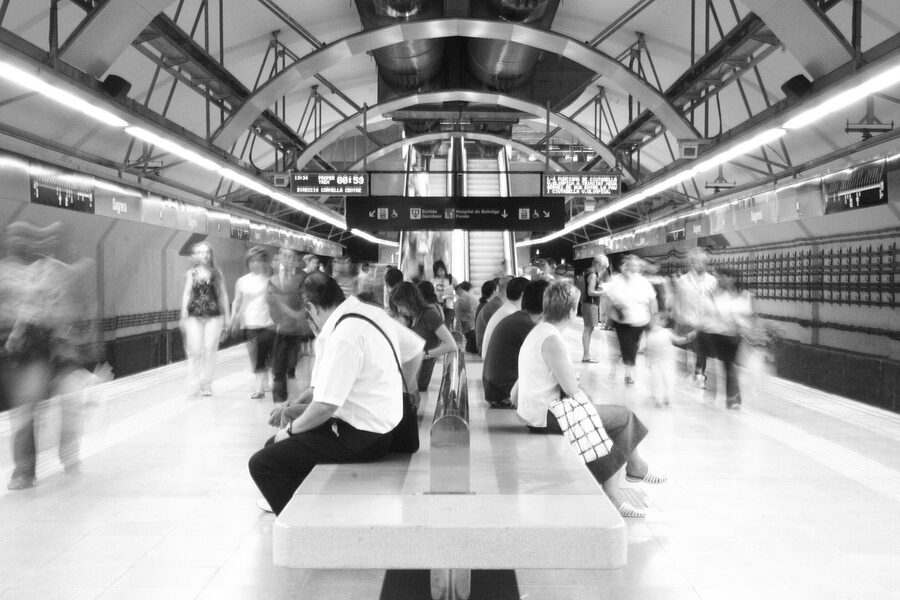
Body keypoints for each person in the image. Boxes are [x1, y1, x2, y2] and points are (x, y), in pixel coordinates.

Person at [248, 272, 425, 516]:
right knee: (276, 445)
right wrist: (403, 386)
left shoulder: (344, 335)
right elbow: (415, 348)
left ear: (310, 306)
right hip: (388, 427)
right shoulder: (372, 313)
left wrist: (288, 430)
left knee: (263, 464)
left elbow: (325, 407)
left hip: (362, 437)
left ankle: (301, 526)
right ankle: (298, 499)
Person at [512, 281, 666, 518]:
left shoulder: (539, 331)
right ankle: (628, 478)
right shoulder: (551, 339)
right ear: (573, 310)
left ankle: (628, 477)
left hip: (537, 411)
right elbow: (572, 390)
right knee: (624, 417)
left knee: (609, 418)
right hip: (546, 416)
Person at [482, 280, 548, 407]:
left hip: (494, 388)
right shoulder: (526, 325)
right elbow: (546, 362)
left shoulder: (518, 317)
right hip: (503, 394)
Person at [180, 241, 230, 396]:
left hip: (214, 315)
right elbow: (187, 293)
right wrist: (183, 313)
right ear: (197, 256)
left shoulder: (217, 274)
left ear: (211, 255)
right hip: (194, 315)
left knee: (210, 348)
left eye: (207, 252)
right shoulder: (192, 274)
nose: (205, 255)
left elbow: (223, 295)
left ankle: (206, 383)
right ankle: (193, 382)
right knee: (194, 349)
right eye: (201, 252)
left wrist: (228, 316)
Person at [389, 282, 458, 391]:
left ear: (410, 301)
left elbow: (451, 345)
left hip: (420, 372)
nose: (399, 310)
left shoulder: (429, 314)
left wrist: (425, 355)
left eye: (400, 305)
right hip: (412, 368)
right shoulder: (412, 316)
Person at [267, 247, 313, 404]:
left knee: (292, 355)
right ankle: (279, 395)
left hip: (300, 325)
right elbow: (271, 300)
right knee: (280, 357)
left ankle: (294, 392)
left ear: (296, 260)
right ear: (279, 257)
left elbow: (308, 297)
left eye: (290, 257)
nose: (287, 259)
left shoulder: (303, 277)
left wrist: (300, 315)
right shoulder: (273, 278)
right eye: (284, 256)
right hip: (282, 325)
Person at [605, 255, 658, 386]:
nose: (633, 268)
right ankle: (628, 373)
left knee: (633, 346)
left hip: (640, 320)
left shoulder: (643, 282)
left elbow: (652, 300)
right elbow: (608, 299)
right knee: (626, 345)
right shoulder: (615, 280)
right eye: (630, 265)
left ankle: (627, 368)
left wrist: (653, 318)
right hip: (622, 321)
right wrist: (611, 315)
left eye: (636, 266)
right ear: (625, 266)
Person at [232, 246, 276, 399]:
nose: (255, 264)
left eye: (259, 261)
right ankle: (260, 386)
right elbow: (237, 302)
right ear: (248, 263)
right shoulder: (242, 282)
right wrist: (234, 318)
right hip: (249, 323)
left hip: (268, 323)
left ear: (265, 262)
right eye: (252, 261)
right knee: (255, 355)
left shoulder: (271, 280)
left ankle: (264, 384)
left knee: (267, 354)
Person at [706, 270, 754, 409]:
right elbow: (711, 314)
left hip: (735, 335)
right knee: (727, 365)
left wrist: (742, 325)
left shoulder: (744, 295)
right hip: (717, 334)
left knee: (730, 365)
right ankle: (732, 398)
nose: (721, 279)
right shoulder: (715, 295)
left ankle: (732, 398)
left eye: (724, 277)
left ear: (732, 278)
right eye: (719, 277)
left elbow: (748, 315)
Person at [674, 247, 718, 388]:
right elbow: (677, 301)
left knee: (701, 351)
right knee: (687, 350)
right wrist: (677, 319)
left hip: (704, 322)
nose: (700, 265)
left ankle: (699, 375)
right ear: (691, 262)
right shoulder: (683, 281)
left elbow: (715, 301)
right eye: (697, 262)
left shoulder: (712, 281)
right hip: (687, 320)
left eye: (703, 262)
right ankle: (687, 372)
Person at [645, 311, 695, 407]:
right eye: (652, 320)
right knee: (661, 380)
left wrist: (688, 338)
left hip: (664, 362)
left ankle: (664, 398)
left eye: (656, 320)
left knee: (664, 380)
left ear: (664, 322)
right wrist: (648, 360)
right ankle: (661, 398)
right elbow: (648, 348)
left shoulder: (665, 332)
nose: (653, 322)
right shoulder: (653, 333)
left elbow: (678, 340)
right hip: (659, 362)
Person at [481, 276, 529, 359]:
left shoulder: (506, 310)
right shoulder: (510, 315)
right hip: (498, 365)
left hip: (492, 363)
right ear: (523, 294)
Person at [580, 255, 609, 363]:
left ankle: (586, 354)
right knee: (588, 329)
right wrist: (602, 292)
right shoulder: (592, 275)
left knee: (589, 329)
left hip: (587, 304)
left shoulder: (588, 272)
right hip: (590, 304)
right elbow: (590, 292)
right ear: (597, 264)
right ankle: (586, 355)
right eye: (603, 267)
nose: (603, 269)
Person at [475, 277, 506, 354]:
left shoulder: (485, 305)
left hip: (483, 345)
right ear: (495, 291)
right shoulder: (492, 306)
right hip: (486, 348)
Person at [431, 260, 457, 329]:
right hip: (438, 306)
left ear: (444, 269)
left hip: (449, 306)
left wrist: (453, 297)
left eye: (442, 270)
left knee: (446, 326)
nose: (441, 273)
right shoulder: (433, 280)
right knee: (438, 326)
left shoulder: (450, 279)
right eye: (438, 271)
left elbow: (457, 290)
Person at [454, 281, 478, 354]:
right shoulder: (470, 297)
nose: (456, 293)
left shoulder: (464, 298)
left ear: (460, 289)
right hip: (470, 321)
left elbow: (461, 310)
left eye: (457, 291)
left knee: (469, 338)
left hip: (467, 321)